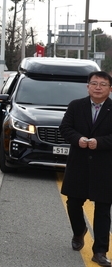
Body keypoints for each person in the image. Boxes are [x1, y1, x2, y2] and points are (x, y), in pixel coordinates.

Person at [60, 71, 112, 267]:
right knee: (73, 204)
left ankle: (99, 251)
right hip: (79, 164)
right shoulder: (76, 105)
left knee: (103, 210)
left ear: (110, 88)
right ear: (88, 86)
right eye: (94, 83)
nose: (98, 87)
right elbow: (65, 128)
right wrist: (78, 139)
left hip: (105, 167)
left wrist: (99, 142)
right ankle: (79, 230)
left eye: (103, 84)